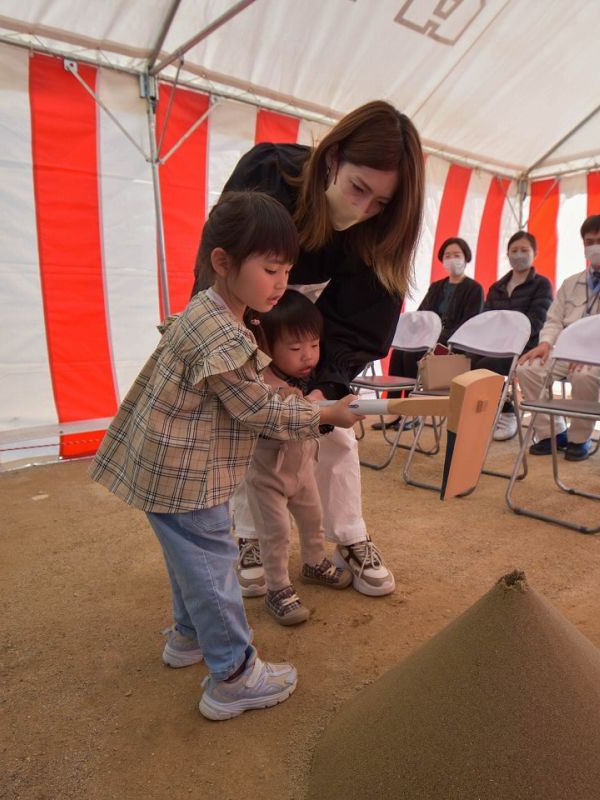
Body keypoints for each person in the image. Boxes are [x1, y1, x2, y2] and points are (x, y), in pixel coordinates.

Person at [90, 192, 359, 720]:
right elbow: (258, 411)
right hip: (186, 477)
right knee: (214, 568)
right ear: (223, 262)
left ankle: (189, 637)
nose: (281, 283)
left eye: (287, 270)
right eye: (270, 269)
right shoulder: (224, 336)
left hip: (166, 471)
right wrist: (325, 416)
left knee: (190, 563)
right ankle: (233, 675)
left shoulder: (207, 311)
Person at [196, 100, 424, 599]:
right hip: (245, 328)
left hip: (311, 342)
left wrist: (323, 389)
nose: (362, 211)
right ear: (332, 157)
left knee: (336, 436)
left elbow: (361, 322)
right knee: (247, 435)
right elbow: (220, 272)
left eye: (380, 204)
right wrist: (245, 367)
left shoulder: (380, 234)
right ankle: (250, 537)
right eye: (358, 189)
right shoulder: (268, 172)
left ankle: (349, 536)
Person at [245, 290, 353, 626]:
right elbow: (279, 420)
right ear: (267, 347)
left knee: (312, 519)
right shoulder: (262, 384)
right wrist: (322, 413)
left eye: (314, 344)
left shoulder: (304, 378)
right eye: (295, 348)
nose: (308, 355)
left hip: (302, 469)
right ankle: (277, 589)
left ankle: (313, 562)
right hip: (267, 476)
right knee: (275, 532)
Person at [515, 213, 600, 460]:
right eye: (589, 241)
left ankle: (579, 438)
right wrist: (545, 343)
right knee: (528, 368)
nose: (595, 246)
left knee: (584, 373)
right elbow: (553, 320)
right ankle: (552, 433)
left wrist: (591, 353)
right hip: (566, 351)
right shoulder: (571, 283)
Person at [374, 236, 484, 430]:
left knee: (412, 355)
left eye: (457, 255)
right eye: (448, 255)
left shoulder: (474, 289)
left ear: (466, 258)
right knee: (399, 352)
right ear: (442, 260)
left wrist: (436, 340)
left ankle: (412, 411)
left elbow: (469, 324)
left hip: (451, 347)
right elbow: (421, 316)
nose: (452, 259)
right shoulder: (436, 287)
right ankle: (394, 410)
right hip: (428, 342)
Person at [480, 230, 553, 441]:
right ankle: (493, 410)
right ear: (507, 253)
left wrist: (509, 341)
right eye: (514, 250)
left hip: (527, 346)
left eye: (524, 250)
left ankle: (508, 411)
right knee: (472, 361)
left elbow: (537, 321)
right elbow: (488, 319)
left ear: (534, 253)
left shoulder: (542, 284)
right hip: (498, 345)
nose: (518, 254)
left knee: (489, 364)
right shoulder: (497, 287)